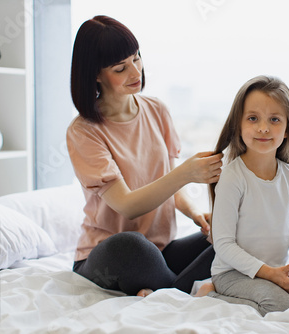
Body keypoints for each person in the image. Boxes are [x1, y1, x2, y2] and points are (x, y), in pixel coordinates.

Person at [66, 15, 222, 297]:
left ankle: (165, 289)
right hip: (110, 256)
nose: (135, 72)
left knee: (231, 237)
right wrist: (186, 173)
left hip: (159, 252)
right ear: (96, 74)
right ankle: (182, 288)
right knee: (132, 245)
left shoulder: (156, 110)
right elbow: (127, 205)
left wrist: (196, 214)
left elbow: (167, 186)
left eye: (136, 58)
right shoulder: (84, 132)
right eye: (120, 68)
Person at [198, 75, 289, 315]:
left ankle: (275, 285)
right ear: (239, 126)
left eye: (274, 119)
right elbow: (223, 245)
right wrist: (269, 274)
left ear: (286, 129)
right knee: (279, 307)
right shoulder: (233, 177)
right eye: (253, 119)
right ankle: (208, 292)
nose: (263, 128)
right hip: (233, 274)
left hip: (276, 271)